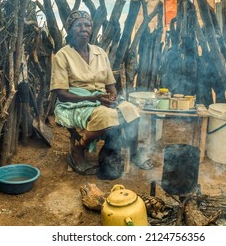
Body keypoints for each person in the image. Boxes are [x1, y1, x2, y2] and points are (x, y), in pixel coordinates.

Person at [50, 10, 153, 180]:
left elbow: (110, 86)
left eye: (87, 25)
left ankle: (134, 153)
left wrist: (113, 97)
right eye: (79, 25)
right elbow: (61, 94)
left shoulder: (100, 52)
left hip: (100, 99)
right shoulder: (63, 56)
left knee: (131, 110)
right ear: (70, 30)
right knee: (106, 116)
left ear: (92, 29)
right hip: (75, 102)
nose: (84, 28)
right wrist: (92, 98)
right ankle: (78, 149)